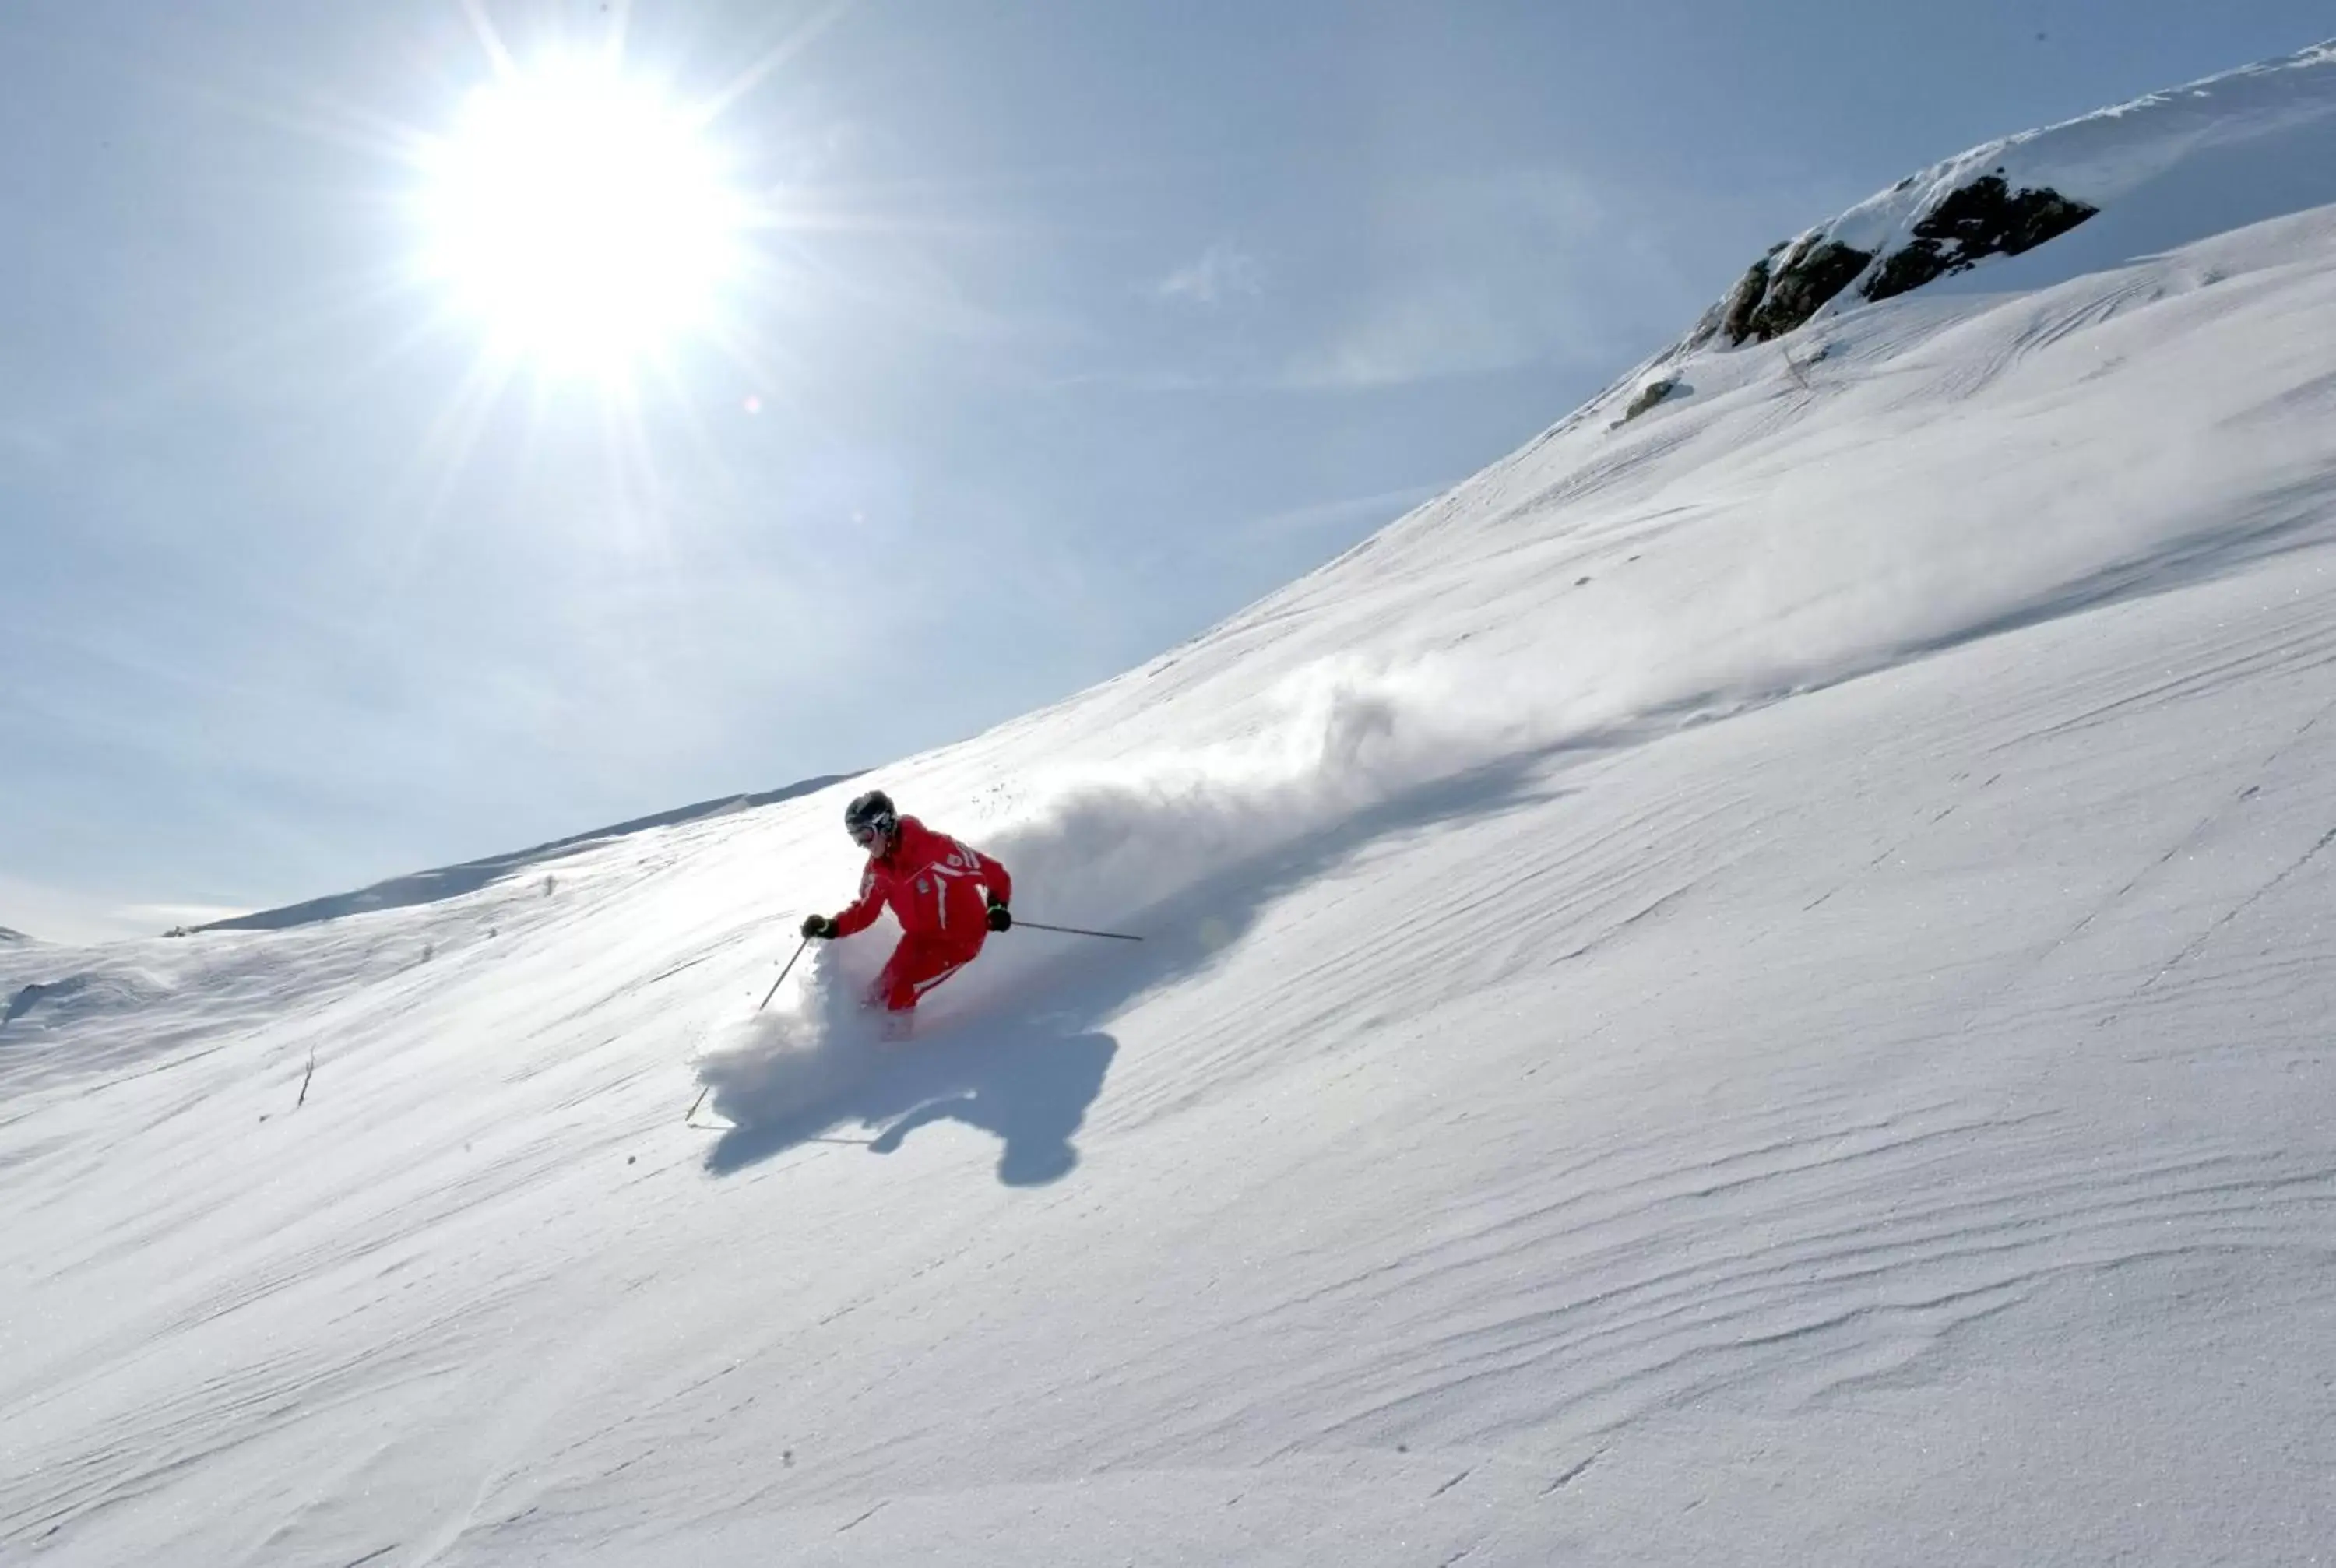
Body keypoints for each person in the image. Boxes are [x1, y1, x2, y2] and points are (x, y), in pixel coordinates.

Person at [800, 789, 1013, 1020]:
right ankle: (864, 1045)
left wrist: (997, 906)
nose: (863, 844)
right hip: (919, 939)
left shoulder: (935, 850)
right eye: (856, 837)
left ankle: (896, 1052)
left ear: (885, 825)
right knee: (875, 996)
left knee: (902, 993)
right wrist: (831, 927)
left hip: (959, 940)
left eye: (866, 835)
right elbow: (865, 911)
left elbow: (994, 874)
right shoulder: (877, 871)